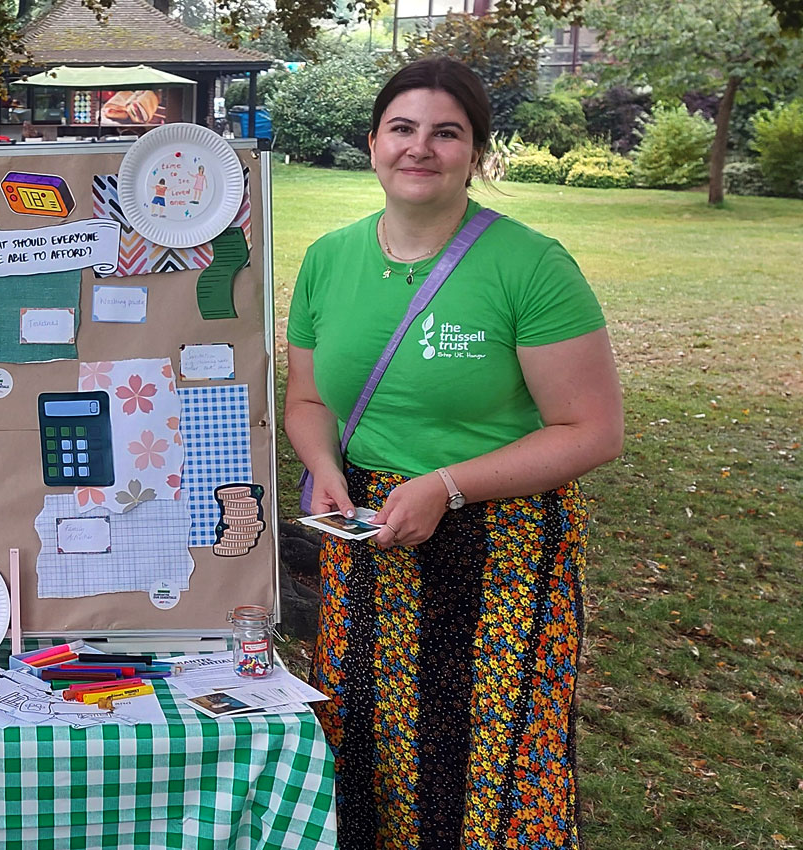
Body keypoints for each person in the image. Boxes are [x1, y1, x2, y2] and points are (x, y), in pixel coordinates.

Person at [283, 56, 622, 849]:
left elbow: (592, 430)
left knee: (493, 756)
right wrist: (328, 468)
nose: (420, 148)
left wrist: (447, 485)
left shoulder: (532, 266)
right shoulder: (329, 259)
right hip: (365, 540)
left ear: (476, 152)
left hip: (500, 547)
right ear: (372, 144)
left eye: (447, 132)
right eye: (402, 129)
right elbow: (305, 402)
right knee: (365, 744)